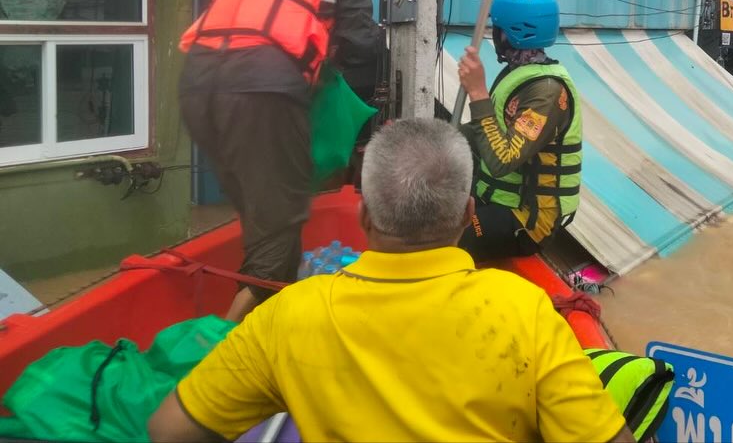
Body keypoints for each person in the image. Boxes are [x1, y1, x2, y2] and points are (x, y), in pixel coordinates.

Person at [147, 119, 633, 443]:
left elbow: (168, 430)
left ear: (364, 215)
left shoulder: (287, 315)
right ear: (468, 214)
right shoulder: (524, 310)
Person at [178, 0, 384, 322]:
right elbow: (363, 44)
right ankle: (219, 346)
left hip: (198, 88)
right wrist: (336, 89)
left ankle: (268, 322)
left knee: (265, 220)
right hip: (262, 94)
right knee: (279, 226)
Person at [457, 0, 582, 260]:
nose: (495, 35)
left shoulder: (547, 92)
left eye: (497, 29)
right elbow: (481, 133)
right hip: (496, 200)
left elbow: (502, 161)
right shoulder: (518, 74)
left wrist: (477, 92)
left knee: (445, 236)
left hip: (526, 219)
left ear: (508, 34)